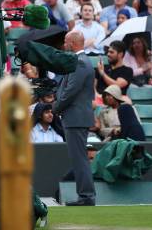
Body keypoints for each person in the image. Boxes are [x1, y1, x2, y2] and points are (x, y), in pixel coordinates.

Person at [53, 30, 96, 206]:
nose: (64, 45)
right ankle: (85, 195)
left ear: (72, 43)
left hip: (76, 117)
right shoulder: (79, 62)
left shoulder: (79, 63)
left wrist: (56, 106)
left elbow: (71, 90)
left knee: (80, 159)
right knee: (79, 158)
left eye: (65, 42)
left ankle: (86, 196)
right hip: (75, 117)